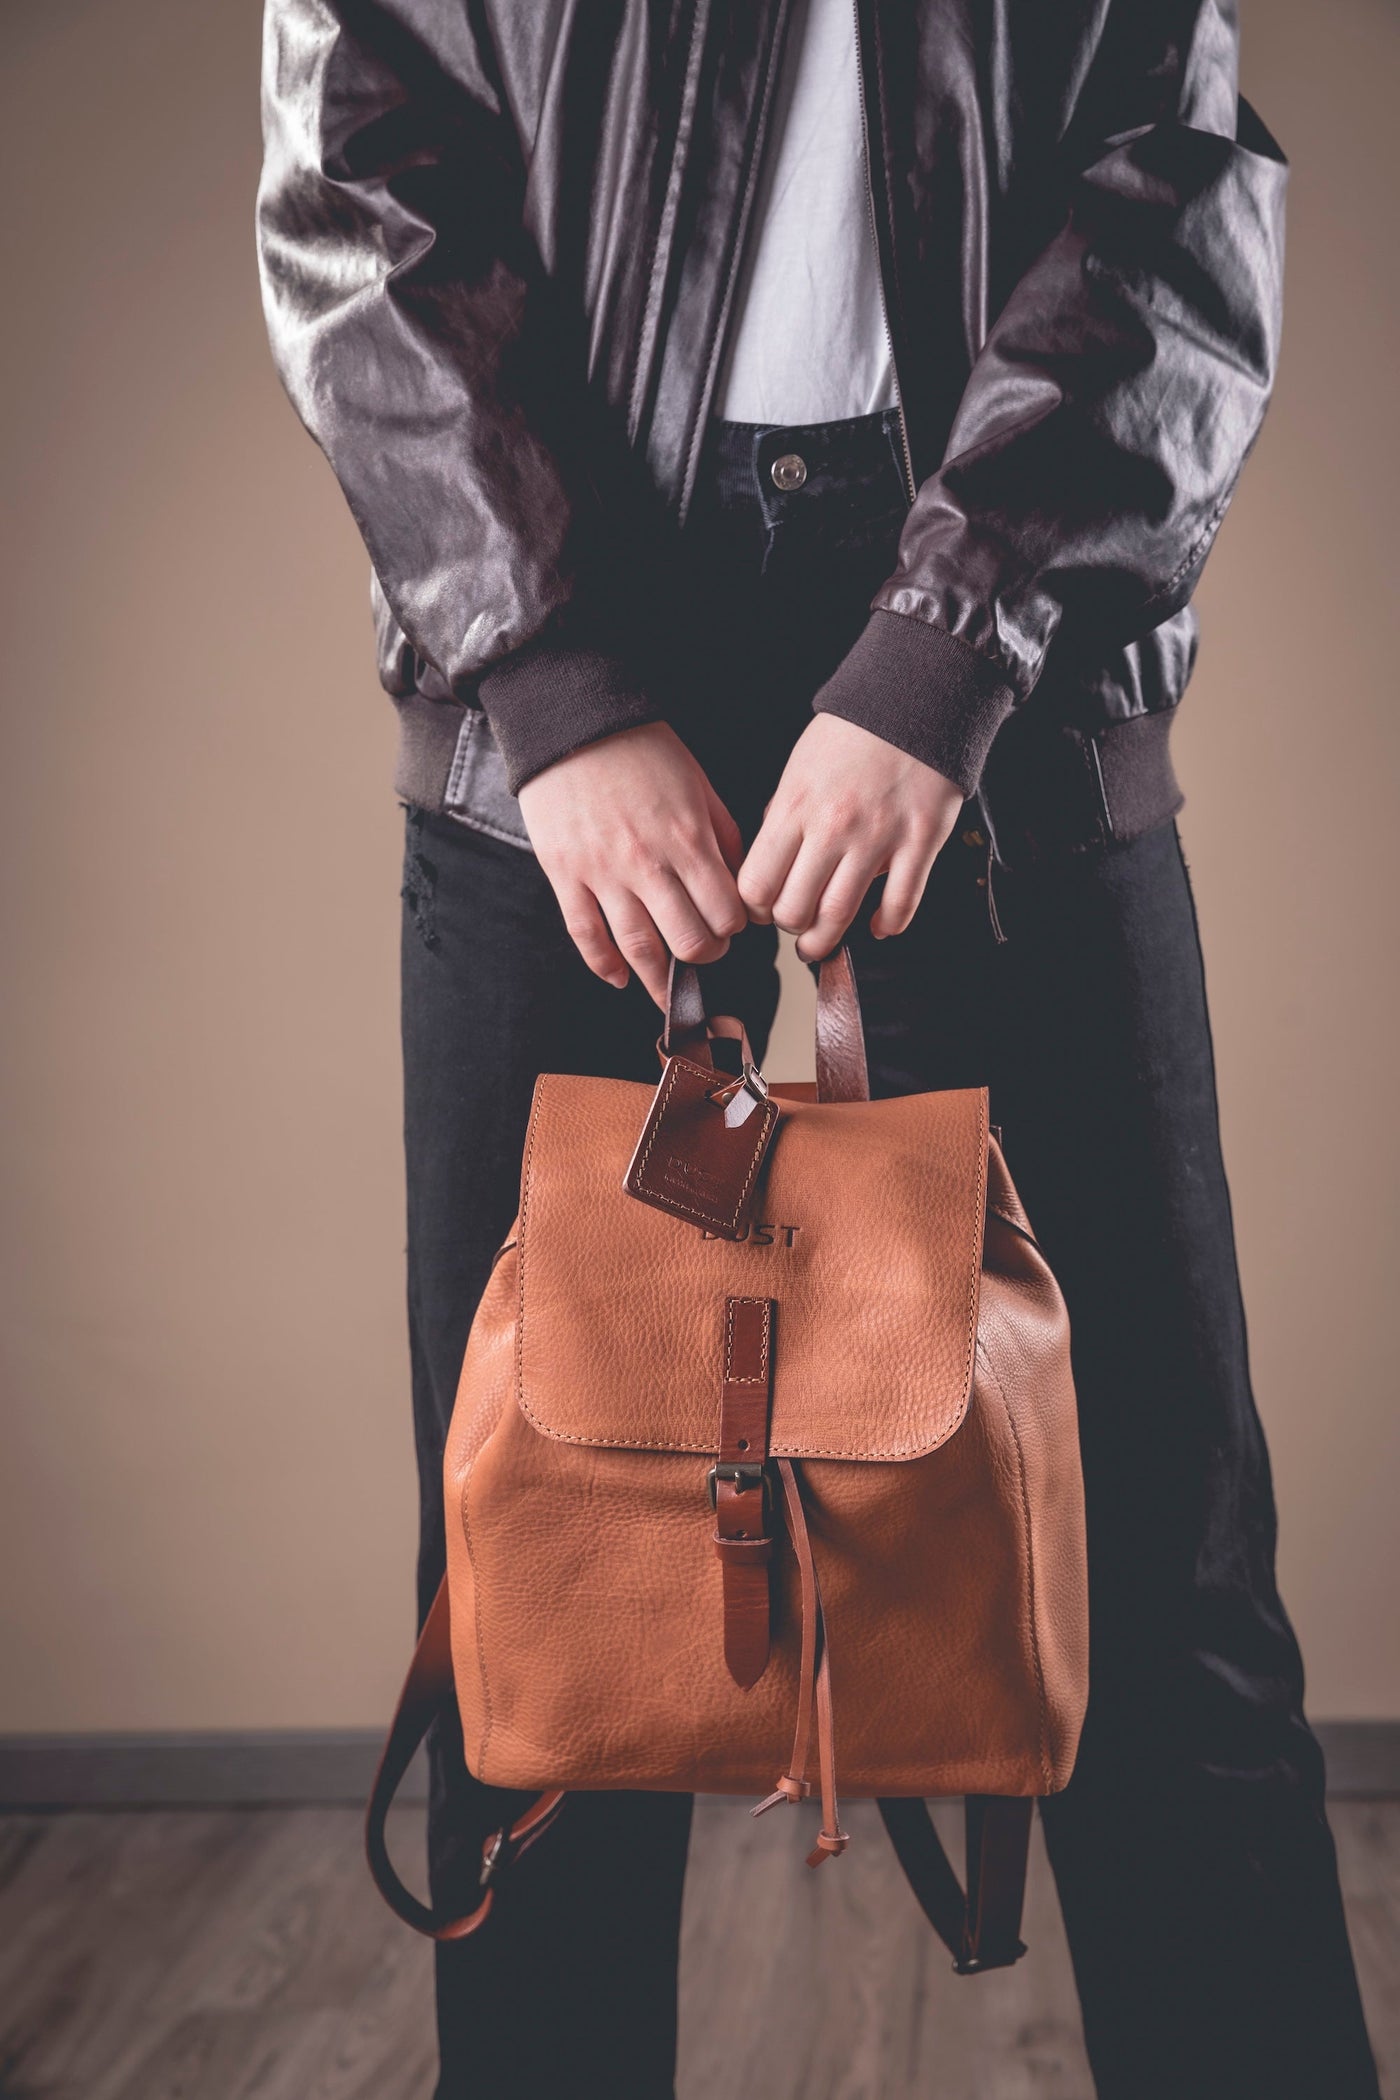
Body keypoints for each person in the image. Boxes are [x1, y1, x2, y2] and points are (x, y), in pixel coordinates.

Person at [257, 2, 1379, 2094]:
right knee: (545, 1601)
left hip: (1005, 661)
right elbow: (355, 189)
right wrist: (553, 680)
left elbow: (1175, 194)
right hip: (562, 681)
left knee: (1164, 1585)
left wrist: (950, 646)